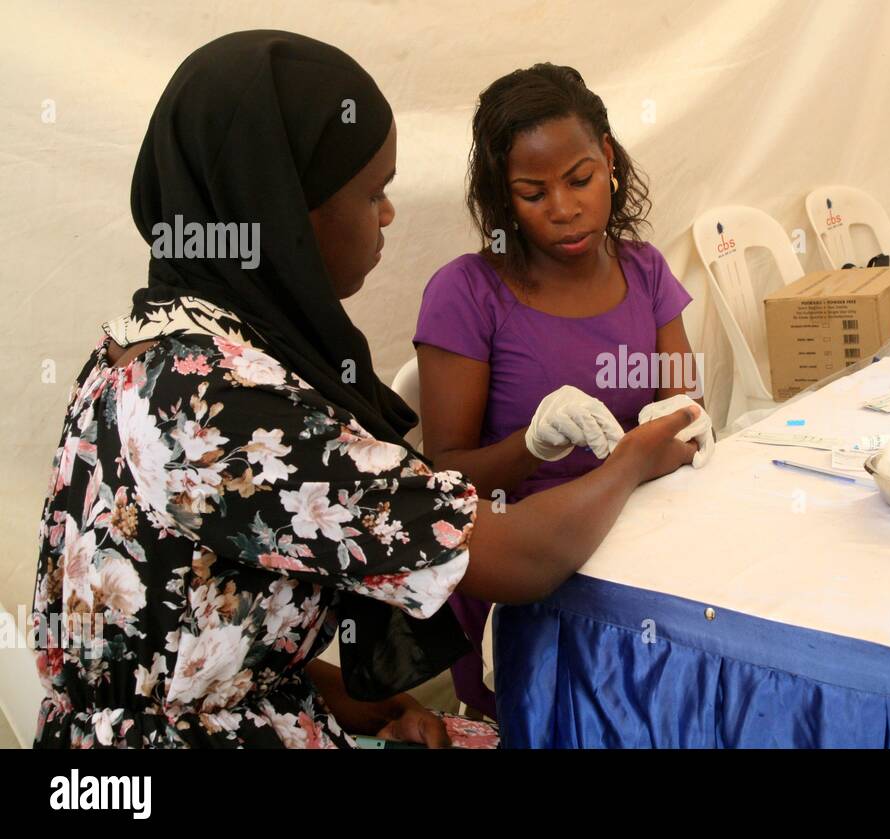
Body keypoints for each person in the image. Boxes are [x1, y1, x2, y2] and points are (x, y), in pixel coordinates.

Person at [29, 30, 698, 749]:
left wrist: (355, 700)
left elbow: (182, 636)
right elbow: (518, 556)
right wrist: (632, 458)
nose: (387, 215)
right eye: (372, 192)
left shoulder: (144, 340)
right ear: (285, 212)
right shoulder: (225, 405)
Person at [413, 63, 714, 716]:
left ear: (607, 157)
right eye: (532, 191)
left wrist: (682, 421)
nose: (565, 208)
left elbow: (686, 416)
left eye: (579, 178)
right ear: (501, 197)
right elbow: (444, 478)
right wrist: (531, 445)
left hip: (641, 538)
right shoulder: (467, 295)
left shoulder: (645, 271)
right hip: (525, 566)